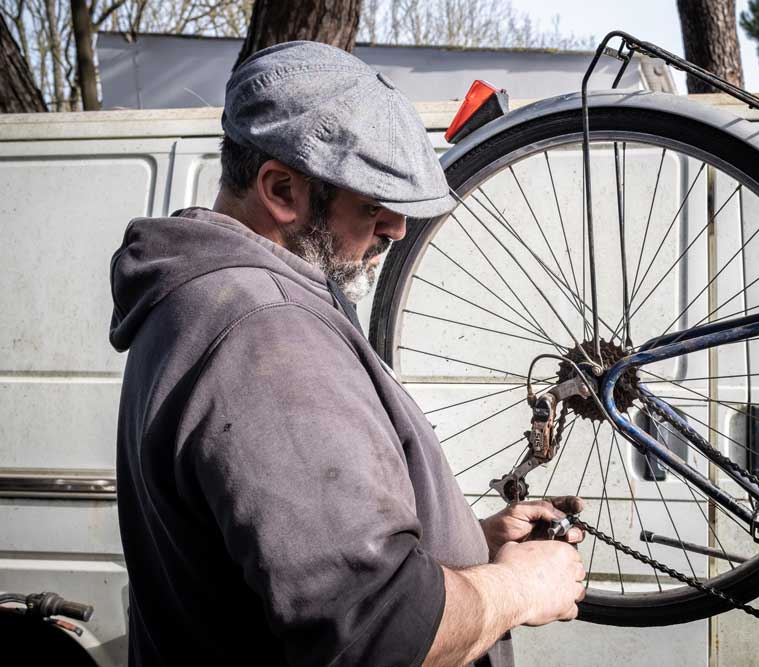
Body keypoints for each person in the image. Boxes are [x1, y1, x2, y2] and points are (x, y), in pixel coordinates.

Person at [109, 40, 587, 667]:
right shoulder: (265, 331)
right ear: (281, 189)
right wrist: (520, 588)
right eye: (373, 205)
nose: (397, 229)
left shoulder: (227, 299)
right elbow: (376, 630)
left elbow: (306, 563)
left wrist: (471, 548)